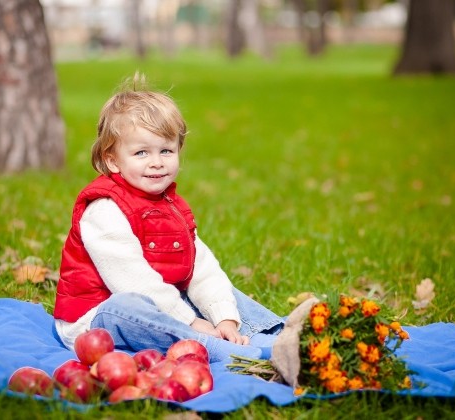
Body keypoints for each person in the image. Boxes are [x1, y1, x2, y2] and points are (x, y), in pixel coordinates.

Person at [53, 74, 283, 362]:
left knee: (218, 289)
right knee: (127, 306)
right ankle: (208, 347)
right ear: (113, 160)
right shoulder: (104, 209)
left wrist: (224, 318)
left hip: (164, 304)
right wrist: (191, 321)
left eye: (166, 150)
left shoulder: (172, 206)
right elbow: (134, 282)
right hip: (96, 319)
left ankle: (272, 334)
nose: (157, 162)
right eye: (141, 152)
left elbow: (201, 267)